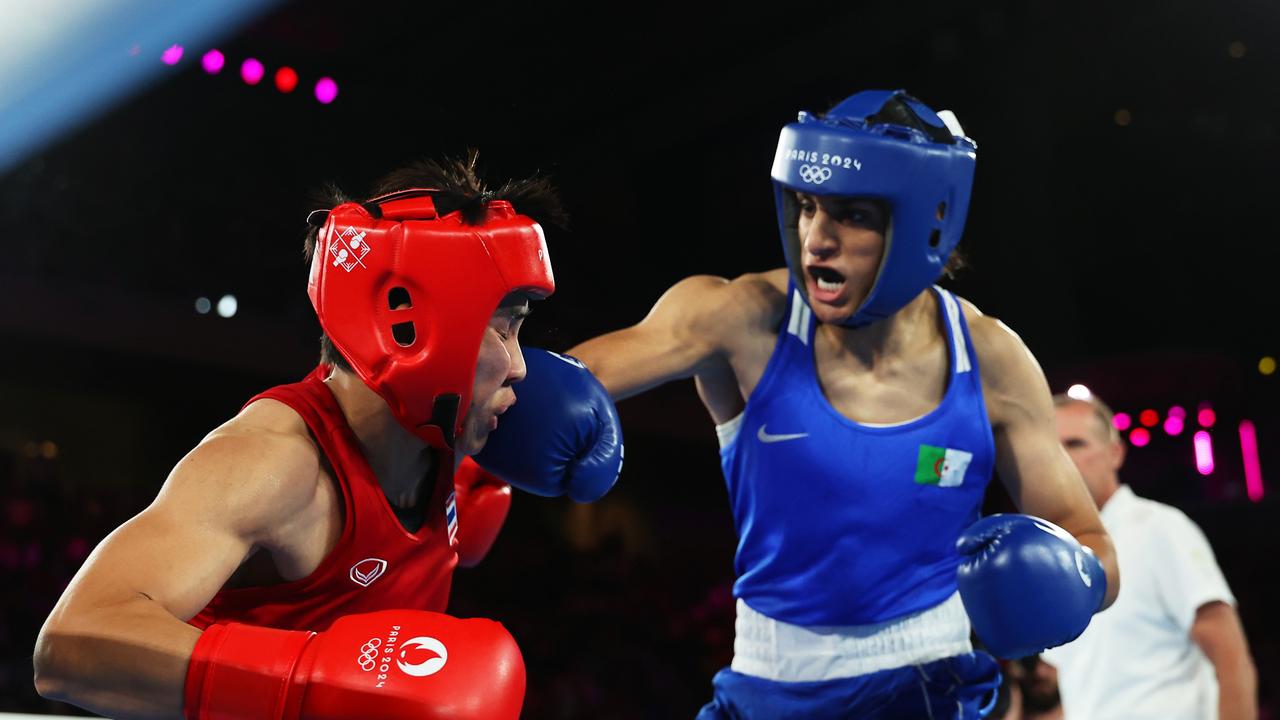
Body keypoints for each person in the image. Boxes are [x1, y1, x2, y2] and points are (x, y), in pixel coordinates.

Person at [500, 90, 1122, 717]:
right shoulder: (739, 319)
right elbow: (540, 384)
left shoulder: (989, 358)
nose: (815, 239)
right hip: (766, 683)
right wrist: (511, 409)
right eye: (805, 207)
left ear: (925, 223)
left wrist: (1074, 581)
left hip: (932, 685)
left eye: (850, 214)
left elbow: (1089, 538)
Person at [31, 154, 624, 720]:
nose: (523, 368)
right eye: (505, 327)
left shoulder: (458, 423)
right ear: (412, 328)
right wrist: (313, 682)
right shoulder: (274, 464)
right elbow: (73, 643)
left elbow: (642, 352)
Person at [1043, 392, 1258, 719]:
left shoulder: (1159, 529)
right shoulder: (1055, 556)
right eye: (1053, 448)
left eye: (1076, 444)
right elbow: (1084, 690)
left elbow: (1232, 662)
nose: (1064, 458)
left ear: (1115, 453)